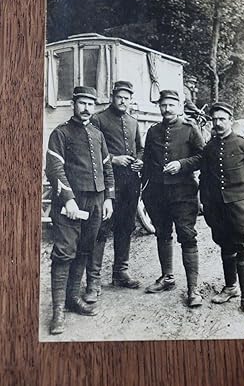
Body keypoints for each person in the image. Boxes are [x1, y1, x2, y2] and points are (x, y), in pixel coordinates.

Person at [45, 86, 114, 335]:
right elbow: (54, 169)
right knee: (64, 252)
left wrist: (108, 198)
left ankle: (73, 298)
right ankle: (58, 313)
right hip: (70, 204)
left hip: (96, 202)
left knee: (85, 248)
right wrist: (68, 199)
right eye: (82, 103)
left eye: (90, 104)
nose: (86, 108)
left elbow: (107, 168)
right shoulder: (60, 134)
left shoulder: (97, 134)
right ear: (73, 104)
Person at [199, 101, 244, 316]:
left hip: (241, 205)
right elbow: (206, 175)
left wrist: (241, 189)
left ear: (230, 120)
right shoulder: (209, 147)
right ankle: (230, 288)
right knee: (225, 245)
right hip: (217, 206)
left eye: (222, 119)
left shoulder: (243, 144)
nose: (218, 123)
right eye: (215, 119)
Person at [142, 90, 205, 307]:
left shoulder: (190, 129)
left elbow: (202, 157)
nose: (166, 109)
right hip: (158, 193)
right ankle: (167, 277)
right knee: (162, 233)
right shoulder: (153, 131)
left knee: (187, 236)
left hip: (183, 193)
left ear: (178, 106)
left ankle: (193, 289)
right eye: (163, 105)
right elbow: (147, 158)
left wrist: (181, 165)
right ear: (159, 107)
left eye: (170, 105)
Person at [84, 80, 143, 302]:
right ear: (112, 96)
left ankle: (120, 273)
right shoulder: (98, 119)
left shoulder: (133, 122)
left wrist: (139, 161)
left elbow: (141, 149)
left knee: (126, 226)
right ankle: (94, 280)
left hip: (130, 185)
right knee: (101, 229)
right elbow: (91, 151)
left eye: (127, 97)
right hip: (107, 185)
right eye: (120, 96)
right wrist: (114, 159)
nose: (123, 100)